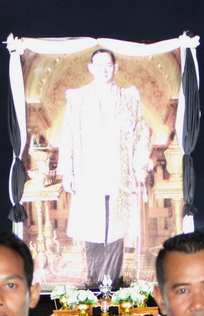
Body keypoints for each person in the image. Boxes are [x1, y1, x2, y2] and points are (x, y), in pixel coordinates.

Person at [56, 48, 152, 287]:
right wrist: (67, 171)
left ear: (115, 67)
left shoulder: (129, 98)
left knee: (115, 227)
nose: (104, 70)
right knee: (92, 225)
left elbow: (142, 132)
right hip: (89, 171)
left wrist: (139, 165)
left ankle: (114, 281)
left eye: (108, 65)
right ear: (91, 68)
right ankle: (93, 280)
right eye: (99, 66)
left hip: (119, 173)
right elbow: (67, 134)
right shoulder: (78, 98)